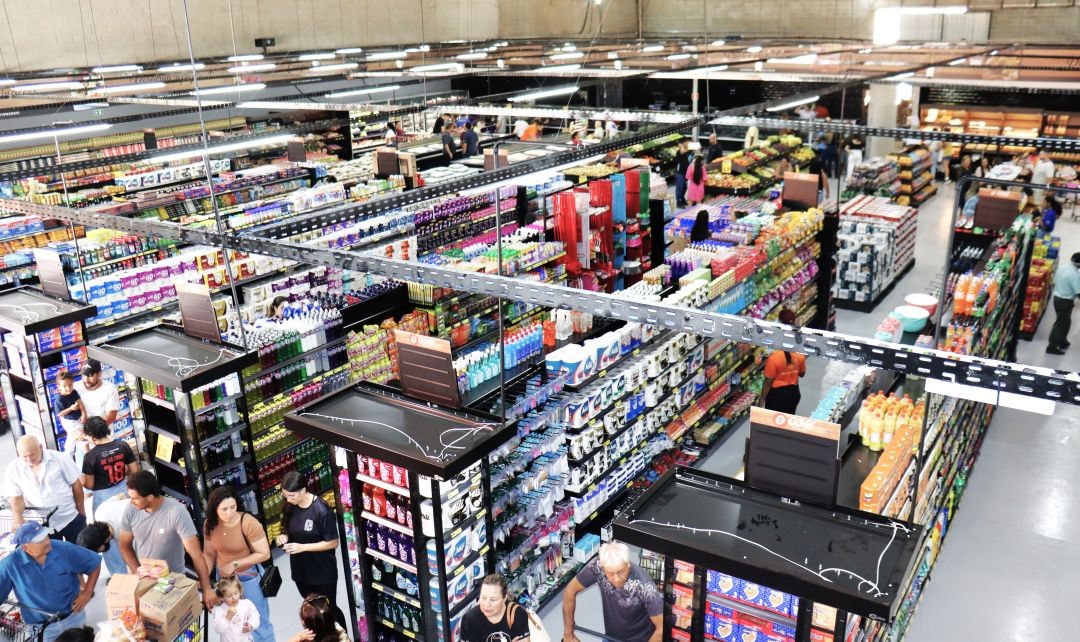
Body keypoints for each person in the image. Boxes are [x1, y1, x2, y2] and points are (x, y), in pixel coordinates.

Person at [119, 470, 217, 609]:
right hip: (143, 578)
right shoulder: (131, 509)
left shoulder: (177, 513)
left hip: (173, 580)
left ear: (150, 497)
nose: (131, 502)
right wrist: (139, 572)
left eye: (135, 498)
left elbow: (196, 555)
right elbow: (124, 545)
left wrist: (207, 589)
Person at [0, 522, 100, 642]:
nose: (47, 542)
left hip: (73, 617)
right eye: (40, 541)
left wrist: (87, 593)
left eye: (46, 536)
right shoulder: (10, 565)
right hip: (41, 628)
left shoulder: (64, 548)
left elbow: (94, 563)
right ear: (26, 547)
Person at [204, 486, 275, 642]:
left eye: (232, 507)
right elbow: (209, 554)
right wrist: (204, 580)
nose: (229, 513)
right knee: (230, 621)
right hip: (224, 580)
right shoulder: (210, 524)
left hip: (248, 577)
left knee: (258, 621)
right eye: (224, 509)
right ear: (214, 509)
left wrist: (235, 564)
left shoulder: (248, 522)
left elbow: (264, 553)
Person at [276, 471, 346, 630]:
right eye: (285, 495)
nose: (288, 499)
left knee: (329, 609)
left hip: (322, 572)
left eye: (291, 495)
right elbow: (287, 530)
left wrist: (303, 547)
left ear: (303, 490)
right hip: (301, 571)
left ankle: (343, 636)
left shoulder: (321, 511)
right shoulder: (290, 507)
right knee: (312, 608)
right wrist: (283, 538)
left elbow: (333, 542)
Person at [563, 541, 663, 642]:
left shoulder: (645, 586)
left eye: (620, 572)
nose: (616, 579)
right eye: (610, 573)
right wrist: (568, 634)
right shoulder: (598, 566)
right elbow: (570, 591)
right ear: (603, 566)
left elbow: (661, 629)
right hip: (610, 637)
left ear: (627, 563)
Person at [5, 436, 85, 541]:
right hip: (42, 525)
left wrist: (80, 508)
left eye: (32, 455)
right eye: (24, 457)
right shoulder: (13, 469)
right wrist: (17, 518)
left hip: (69, 517)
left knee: (82, 551)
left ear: (41, 447)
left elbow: (76, 484)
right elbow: (16, 497)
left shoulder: (60, 458)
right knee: (53, 556)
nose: (29, 459)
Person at [80, 416, 138, 514]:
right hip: (124, 492)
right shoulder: (123, 445)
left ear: (93, 437)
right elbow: (135, 471)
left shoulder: (90, 456)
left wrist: (81, 479)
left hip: (103, 499)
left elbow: (89, 485)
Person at [761, 309, 807, 414]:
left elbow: (768, 382)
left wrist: (761, 400)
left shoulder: (774, 358)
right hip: (793, 393)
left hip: (777, 395)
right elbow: (802, 374)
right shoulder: (800, 354)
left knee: (772, 423)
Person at [460, 574, 530, 642]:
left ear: (504, 598)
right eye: (484, 598)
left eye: (493, 600)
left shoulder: (517, 614)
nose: (487, 605)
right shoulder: (470, 620)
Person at [1047, 252, 1080, 355]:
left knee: (1065, 322)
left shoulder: (1062, 267)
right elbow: (1078, 292)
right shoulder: (1074, 274)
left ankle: (1063, 341)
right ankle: (1052, 347)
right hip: (1065, 301)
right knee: (1061, 324)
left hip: (1057, 297)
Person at [213, 577, 262, 642]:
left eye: (236, 593)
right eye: (229, 596)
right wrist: (228, 617)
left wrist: (251, 625)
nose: (234, 597)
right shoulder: (220, 610)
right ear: (222, 597)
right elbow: (218, 629)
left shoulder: (246, 603)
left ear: (240, 591)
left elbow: (255, 616)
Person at [75, 359, 120, 427]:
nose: (86, 379)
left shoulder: (110, 389)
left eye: (90, 375)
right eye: (84, 375)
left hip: (101, 433)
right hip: (79, 433)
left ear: (99, 374)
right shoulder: (75, 387)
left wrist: (92, 433)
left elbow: (111, 417)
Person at [53, 370, 86, 445]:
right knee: (80, 438)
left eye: (70, 385)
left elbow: (80, 403)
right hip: (69, 421)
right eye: (64, 386)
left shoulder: (74, 392)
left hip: (78, 418)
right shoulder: (59, 400)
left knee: (80, 437)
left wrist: (84, 414)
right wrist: (71, 408)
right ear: (59, 387)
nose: (68, 388)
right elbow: (59, 414)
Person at [673, 140, 691, 208]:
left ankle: (682, 198)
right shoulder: (680, 152)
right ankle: (679, 201)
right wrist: (682, 145)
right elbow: (683, 150)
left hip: (686, 172)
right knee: (680, 187)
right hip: (680, 172)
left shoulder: (687, 152)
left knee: (684, 187)